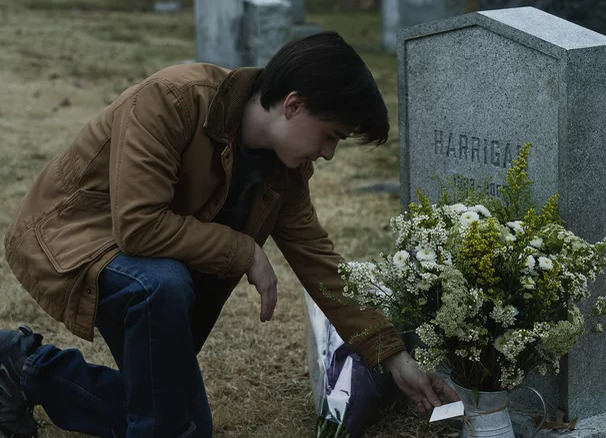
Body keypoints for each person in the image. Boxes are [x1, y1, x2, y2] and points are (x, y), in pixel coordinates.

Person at [0, 32, 457, 438]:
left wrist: (393, 356)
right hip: (70, 236)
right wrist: (244, 251)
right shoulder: (173, 98)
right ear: (293, 105)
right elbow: (139, 226)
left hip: (147, 266)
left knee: (182, 424)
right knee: (163, 287)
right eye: (330, 135)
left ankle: (24, 366)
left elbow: (321, 263)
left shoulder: (285, 171)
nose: (330, 154)